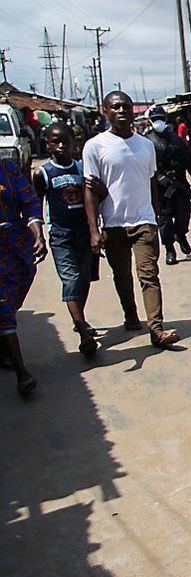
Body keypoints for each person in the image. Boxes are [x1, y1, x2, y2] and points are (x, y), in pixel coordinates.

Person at [83, 91, 180, 350]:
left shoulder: (145, 145)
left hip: (144, 220)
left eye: (126, 106)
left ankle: (156, 329)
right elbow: (90, 190)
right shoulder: (95, 146)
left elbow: (151, 184)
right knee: (122, 275)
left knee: (149, 274)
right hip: (113, 224)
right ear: (106, 111)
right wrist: (94, 230)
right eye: (116, 107)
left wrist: (158, 217)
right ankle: (130, 315)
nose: (122, 111)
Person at [32, 122, 102, 356]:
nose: (62, 146)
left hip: (85, 233)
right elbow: (36, 206)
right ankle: (83, 332)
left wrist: (96, 229)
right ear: (48, 144)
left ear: (74, 143)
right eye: (56, 142)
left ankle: (79, 318)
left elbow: (95, 196)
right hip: (61, 235)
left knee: (84, 279)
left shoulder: (82, 168)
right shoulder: (43, 173)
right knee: (71, 279)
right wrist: (39, 236)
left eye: (66, 141)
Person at [0, 159, 47, 395]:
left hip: (16, 247)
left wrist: (38, 233)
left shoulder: (8, 169)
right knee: (3, 308)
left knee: (12, 300)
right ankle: (22, 373)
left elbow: (30, 203)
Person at [145, 105, 191, 265]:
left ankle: (181, 235)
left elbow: (189, 164)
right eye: (154, 119)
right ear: (150, 121)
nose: (157, 122)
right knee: (165, 221)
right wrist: (157, 177)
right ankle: (170, 250)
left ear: (165, 119)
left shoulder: (176, 140)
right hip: (160, 189)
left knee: (184, 214)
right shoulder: (146, 142)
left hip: (180, 186)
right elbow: (143, 167)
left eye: (160, 118)